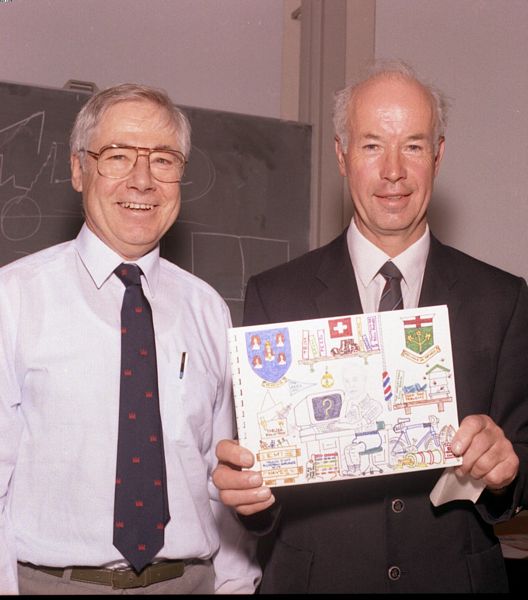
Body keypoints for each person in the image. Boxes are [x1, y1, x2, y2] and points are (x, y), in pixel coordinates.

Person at [212, 60, 528, 593]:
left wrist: (505, 472)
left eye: (413, 145)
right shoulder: (275, 294)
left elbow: (521, 459)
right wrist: (249, 499)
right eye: (371, 145)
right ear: (341, 154)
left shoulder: (503, 298)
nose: (393, 172)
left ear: (438, 155)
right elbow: (264, 489)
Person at [0, 83, 260, 595]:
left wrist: (235, 585)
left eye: (163, 160)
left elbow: (225, 475)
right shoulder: (14, 299)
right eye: (117, 156)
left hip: (190, 582)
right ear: (79, 170)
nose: (142, 181)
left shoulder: (208, 309)